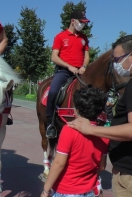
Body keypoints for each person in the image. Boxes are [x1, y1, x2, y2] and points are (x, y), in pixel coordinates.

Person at [67, 35, 132, 197]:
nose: (116, 65)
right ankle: (50, 119)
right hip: (67, 70)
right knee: (53, 91)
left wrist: (91, 130)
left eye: (118, 60)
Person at [41, 85, 109, 197]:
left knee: (54, 89)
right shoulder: (104, 135)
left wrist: (46, 190)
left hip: (66, 190)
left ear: (77, 110)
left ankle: (51, 121)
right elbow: (101, 167)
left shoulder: (69, 130)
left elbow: (59, 163)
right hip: (89, 190)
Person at [46, 9, 90, 138]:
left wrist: (84, 66)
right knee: (53, 91)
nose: (83, 25)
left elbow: (87, 56)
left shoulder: (84, 38)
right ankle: (50, 122)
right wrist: (69, 66)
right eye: (81, 22)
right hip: (64, 71)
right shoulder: (60, 36)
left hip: (80, 72)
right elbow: (54, 57)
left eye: (84, 22)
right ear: (73, 21)